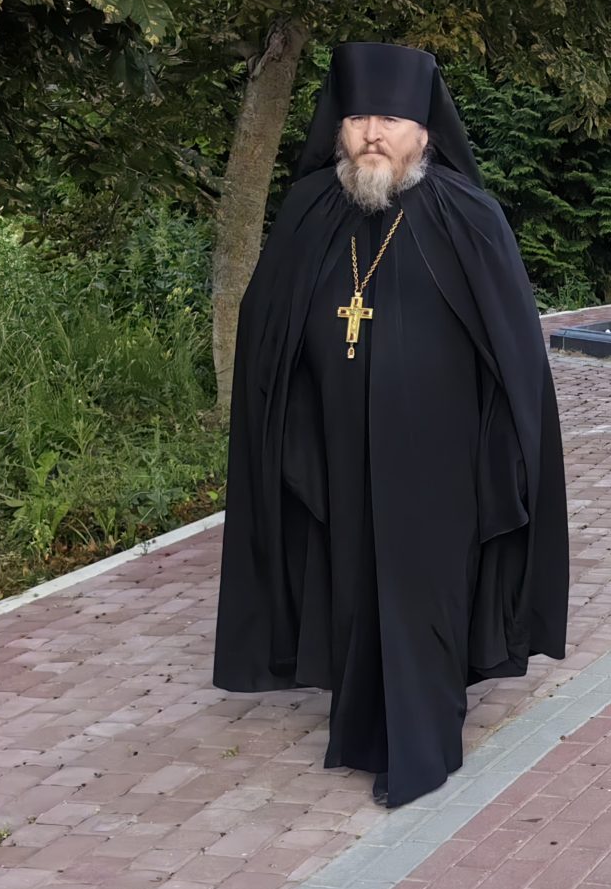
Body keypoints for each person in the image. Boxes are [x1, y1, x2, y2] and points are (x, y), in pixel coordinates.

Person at [214, 43, 569, 808]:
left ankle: (423, 746)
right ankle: (362, 727)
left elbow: (513, 349)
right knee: (351, 582)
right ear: (337, 128)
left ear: (424, 131)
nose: (373, 133)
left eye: (391, 120)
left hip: (438, 455)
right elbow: (268, 331)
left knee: (423, 590)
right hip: (338, 446)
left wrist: (507, 446)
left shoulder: (468, 215)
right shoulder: (310, 211)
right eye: (359, 119)